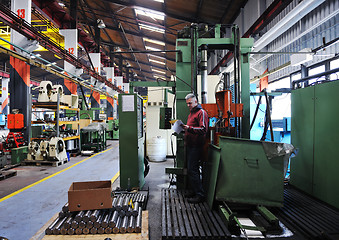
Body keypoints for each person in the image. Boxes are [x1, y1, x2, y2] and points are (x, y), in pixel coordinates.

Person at [181, 93, 208, 203]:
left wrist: (189, 128)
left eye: (190, 103)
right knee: (191, 170)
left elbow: (203, 129)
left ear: (196, 102)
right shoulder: (191, 113)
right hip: (190, 145)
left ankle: (200, 195)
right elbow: (191, 128)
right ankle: (194, 190)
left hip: (196, 146)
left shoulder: (201, 113)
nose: (188, 105)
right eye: (187, 104)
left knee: (193, 170)